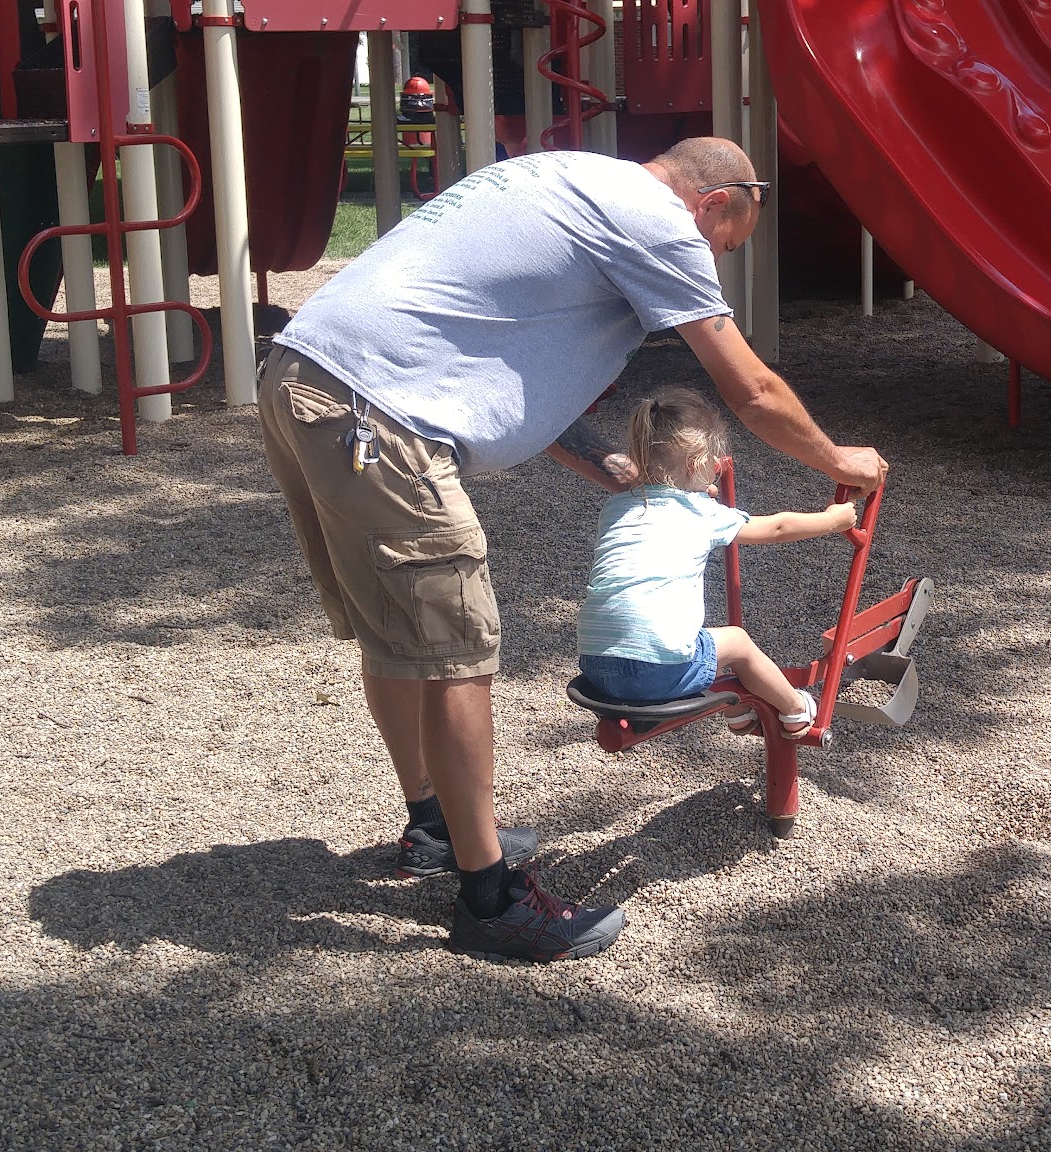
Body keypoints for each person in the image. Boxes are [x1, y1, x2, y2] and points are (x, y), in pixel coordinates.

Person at [258, 137, 888, 962]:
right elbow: (752, 389)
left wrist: (605, 466)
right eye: (722, 246)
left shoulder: (563, 176)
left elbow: (509, 359)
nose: (712, 264)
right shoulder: (660, 222)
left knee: (399, 636)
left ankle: (435, 828)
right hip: (378, 418)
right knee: (457, 650)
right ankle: (490, 900)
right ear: (715, 202)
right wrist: (843, 463)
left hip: (307, 379)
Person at [575, 389, 856, 738]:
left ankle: (738, 712)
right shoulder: (702, 513)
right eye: (714, 461)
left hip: (594, 666)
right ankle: (796, 710)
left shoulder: (616, 508)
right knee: (736, 643)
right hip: (654, 673)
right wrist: (834, 520)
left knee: (703, 642)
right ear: (696, 465)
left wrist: (691, 491)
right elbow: (777, 526)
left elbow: (663, 506)